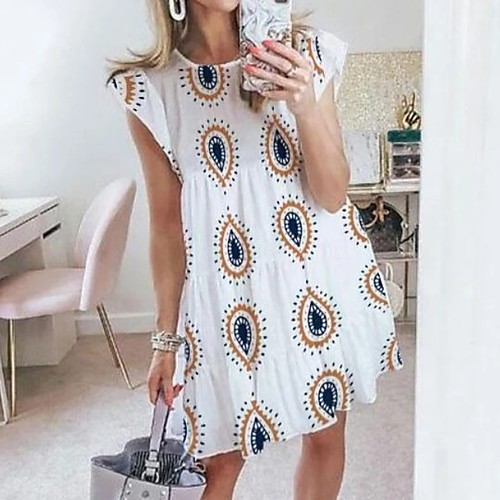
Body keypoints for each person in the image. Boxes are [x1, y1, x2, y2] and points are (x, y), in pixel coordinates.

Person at [107, 1, 404, 499]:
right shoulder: (151, 90)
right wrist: (165, 341)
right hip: (227, 300)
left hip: (314, 282)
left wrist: (305, 105)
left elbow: (333, 194)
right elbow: (166, 226)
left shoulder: (305, 53)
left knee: (325, 435)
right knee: (219, 461)